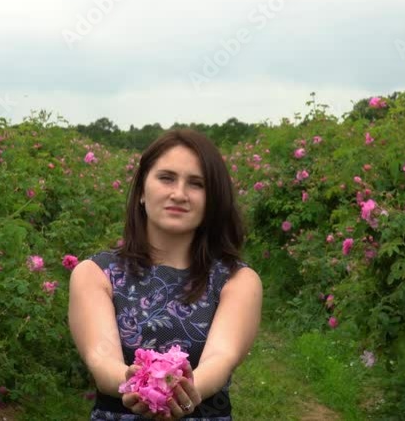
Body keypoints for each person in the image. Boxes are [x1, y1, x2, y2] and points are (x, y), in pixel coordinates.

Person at [69, 129, 263, 420]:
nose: (179, 194)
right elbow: (101, 358)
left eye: (196, 184)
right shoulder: (96, 274)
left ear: (212, 199)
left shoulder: (237, 281)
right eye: (166, 178)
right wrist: (138, 385)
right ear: (141, 191)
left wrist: (180, 390)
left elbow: (220, 358)